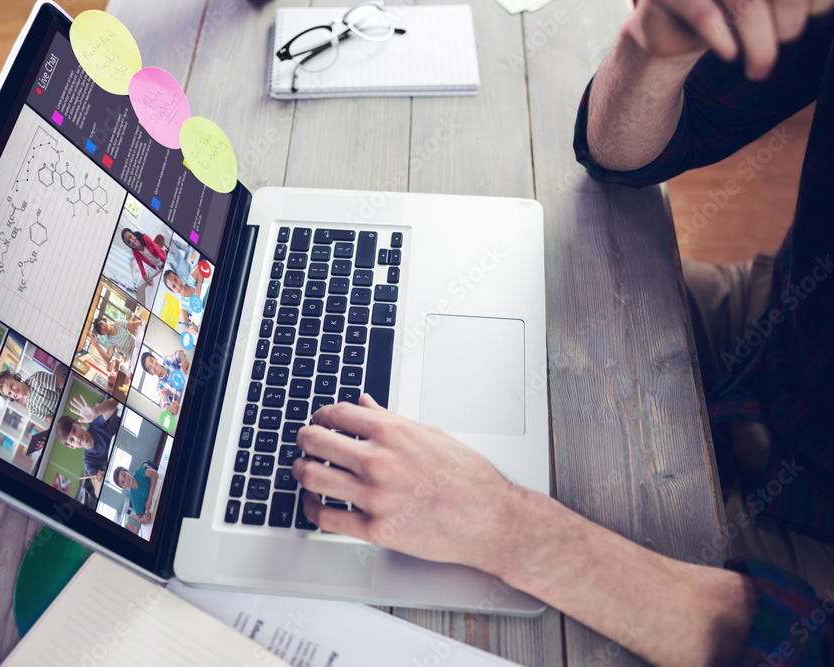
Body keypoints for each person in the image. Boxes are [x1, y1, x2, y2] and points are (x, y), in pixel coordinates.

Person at [292, 2, 834, 665]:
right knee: (444, 296)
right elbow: (622, 151)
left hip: (809, 554)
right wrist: (657, 48)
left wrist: (508, 526)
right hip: (774, 333)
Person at [54, 395, 120, 477]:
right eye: (71, 440)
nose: (76, 437)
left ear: (78, 423)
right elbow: (96, 486)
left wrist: (96, 411)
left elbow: (115, 403)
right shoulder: (88, 461)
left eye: (74, 430)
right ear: (71, 446)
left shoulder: (94, 424)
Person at [0, 369, 66, 424]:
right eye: (10, 393)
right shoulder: (30, 407)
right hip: (64, 418)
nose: (14, 392)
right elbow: (50, 418)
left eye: (12, 386)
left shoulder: (37, 379)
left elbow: (65, 383)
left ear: (16, 378)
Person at [140, 350, 189, 414]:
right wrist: (171, 409)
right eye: (150, 368)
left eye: (152, 361)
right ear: (151, 373)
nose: (153, 366)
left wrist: (184, 360)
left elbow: (179, 354)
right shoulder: (160, 387)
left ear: (155, 358)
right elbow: (166, 409)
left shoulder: (167, 361)